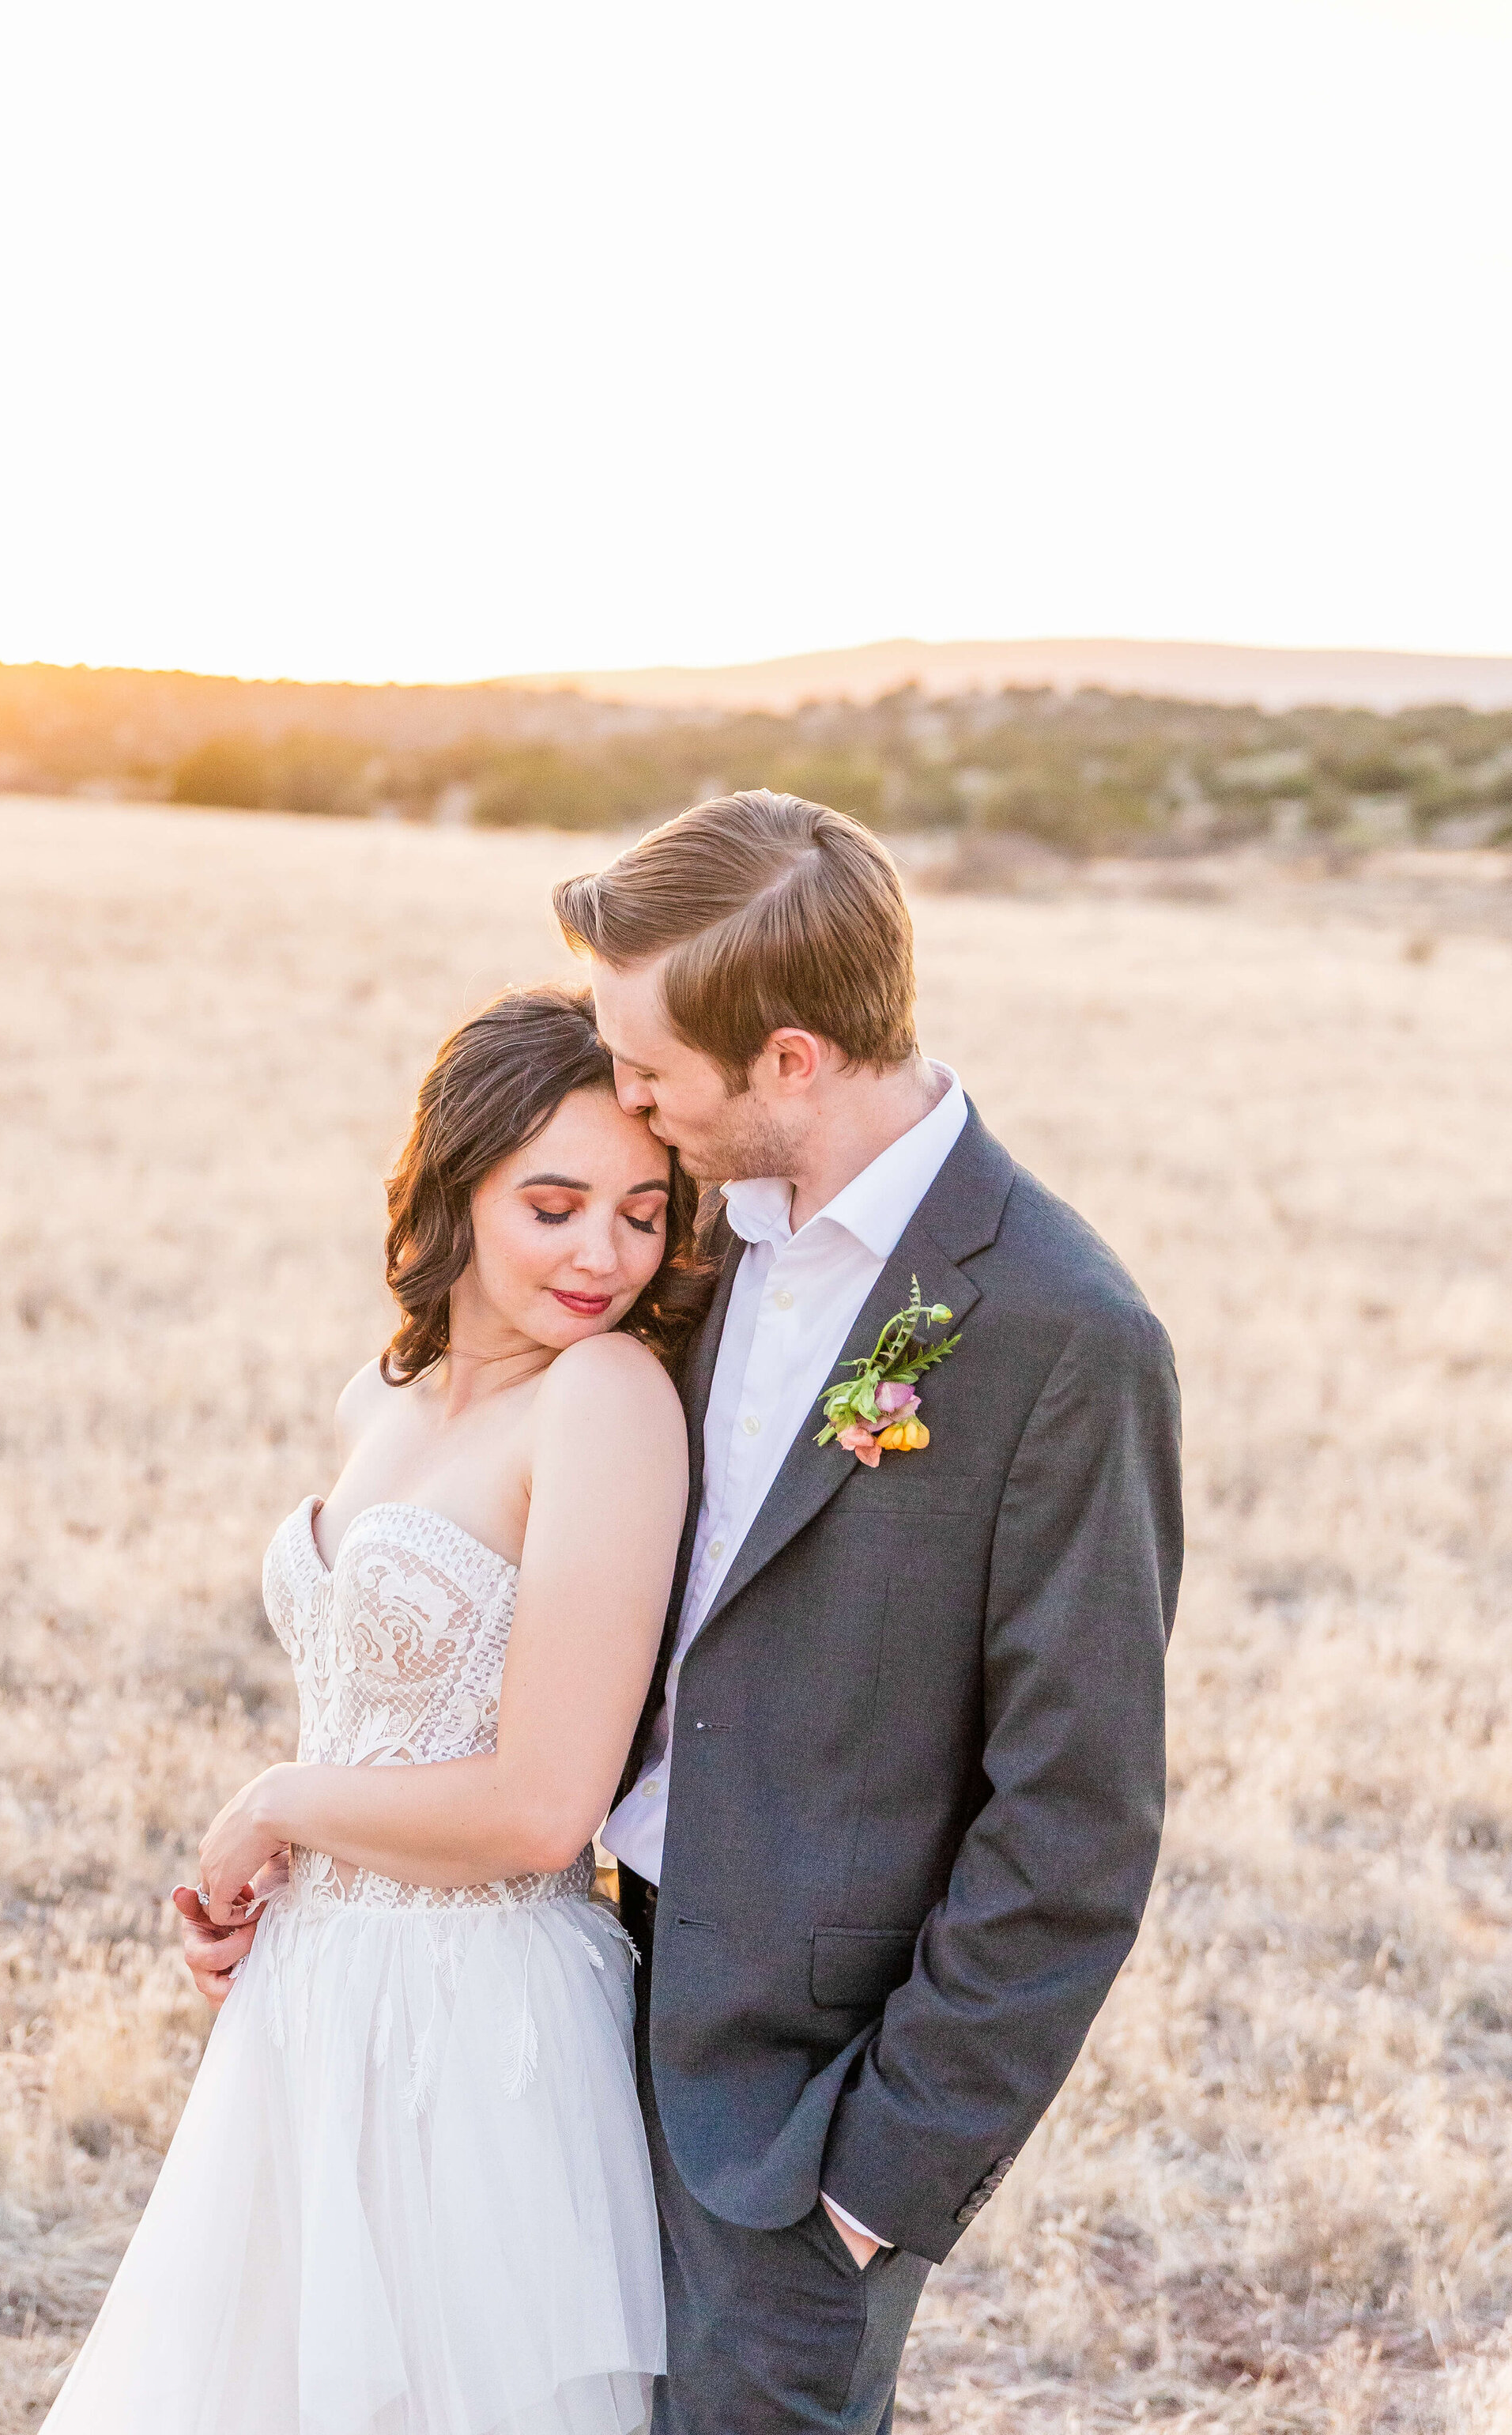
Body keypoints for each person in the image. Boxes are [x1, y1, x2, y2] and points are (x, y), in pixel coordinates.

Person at [550, 790, 1183, 2434]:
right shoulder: (692, 1233)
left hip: (802, 2108)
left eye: (649, 1070)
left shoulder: (1064, 1329)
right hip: (571, 1995)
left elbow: (1078, 1814)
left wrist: (882, 2172)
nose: (624, 1102)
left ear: (790, 1062)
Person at [41, 985, 709, 2435]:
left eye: (644, 1213)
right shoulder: (378, 1397)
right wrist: (289, 1873)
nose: (605, 1253)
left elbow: (542, 1807)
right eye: (554, 1204)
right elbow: (376, 1712)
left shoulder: (606, 1399)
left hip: (479, 2021)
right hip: (312, 1997)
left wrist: (278, 1805)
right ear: (453, 1187)